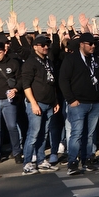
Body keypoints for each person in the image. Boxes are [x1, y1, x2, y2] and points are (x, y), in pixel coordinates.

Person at [58, 32, 99, 175]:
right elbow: (63, 80)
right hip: (78, 103)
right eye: (90, 44)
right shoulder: (71, 59)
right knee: (77, 133)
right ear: (82, 44)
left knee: (90, 134)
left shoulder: (95, 60)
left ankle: (87, 159)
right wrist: (71, 100)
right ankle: (73, 162)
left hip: (95, 102)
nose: (93, 46)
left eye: (94, 44)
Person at [19, 34, 60, 174]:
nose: (46, 47)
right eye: (42, 45)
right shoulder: (30, 62)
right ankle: (28, 162)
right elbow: (26, 85)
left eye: (47, 44)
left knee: (44, 133)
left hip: (49, 102)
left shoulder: (48, 61)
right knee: (34, 133)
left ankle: (41, 160)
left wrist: (55, 100)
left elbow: (52, 82)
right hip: (37, 102)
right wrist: (33, 103)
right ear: (35, 46)